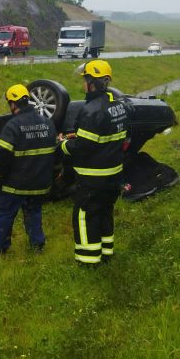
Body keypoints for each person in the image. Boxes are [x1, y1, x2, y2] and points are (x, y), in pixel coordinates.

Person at [59, 60, 129, 266]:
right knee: (105, 212)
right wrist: (80, 136)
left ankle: (88, 260)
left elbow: (83, 148)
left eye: (85, 80)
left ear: (92, 82)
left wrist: (63, 145)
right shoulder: (118, 106)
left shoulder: (91, 111)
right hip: (114, 175)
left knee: (84, 216)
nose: (84, 85)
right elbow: (106, 136)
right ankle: (106, 252)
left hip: (93, 178)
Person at [0, 84, 57, 254]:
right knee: (34, 212)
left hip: (15, 185)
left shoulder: (12, 126)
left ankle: (0, 246)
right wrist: (57, 171)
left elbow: (2, 156)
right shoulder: (48, 123)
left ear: (13, 104)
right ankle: (37, 245)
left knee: (6, 214)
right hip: (39, 183)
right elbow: (55, 152)